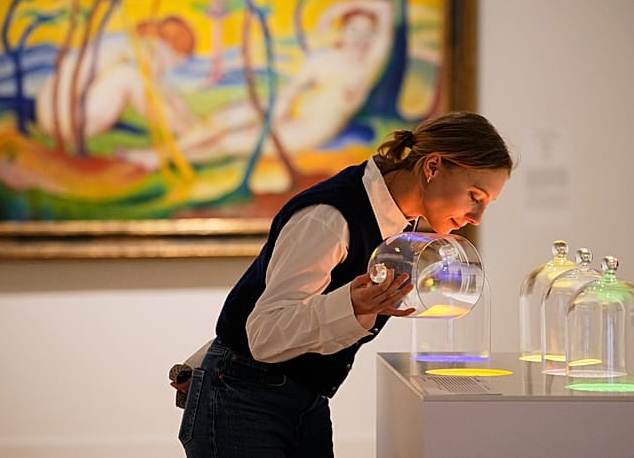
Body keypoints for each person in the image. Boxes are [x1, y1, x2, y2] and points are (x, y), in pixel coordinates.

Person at [176, 111, 514, 457]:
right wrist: (352, 305)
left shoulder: (401, 221)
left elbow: (269, 299)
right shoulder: (330, 218)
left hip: (300, 398)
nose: (477, 218)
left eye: (486, 204)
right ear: (432, 167)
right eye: (475, 196)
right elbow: (265, 333)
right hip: (243, 400)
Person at [122, 0, 393, 170]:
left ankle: (162, 159)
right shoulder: (324, 58)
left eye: (367, 33)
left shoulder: (366, 68)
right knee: (225, 117)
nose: (360, 38)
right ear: (342, 32)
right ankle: (159, 152)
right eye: (353, 29)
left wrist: (337, 7)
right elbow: (292, 88)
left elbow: (385, 8)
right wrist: (280, 106)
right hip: (288, 110)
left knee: (230, 141)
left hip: (308, 128)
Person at [35, 15, 198, 149]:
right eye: (180, 55)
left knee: (130, 77)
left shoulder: (137, 45)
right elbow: (155, 92)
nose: (179, 61)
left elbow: (165, 90)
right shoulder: (140, 49)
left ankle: (189, 129)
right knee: (127, 77)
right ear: (168, 45)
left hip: (59, 114)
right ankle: (186, 131)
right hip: (62, 119)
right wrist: (187, 126)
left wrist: (192, 120)